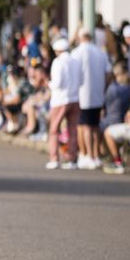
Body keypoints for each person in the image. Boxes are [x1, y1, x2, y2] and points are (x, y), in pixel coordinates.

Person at [73, 30, 112, 170]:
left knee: (85, 126)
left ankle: (88, 155)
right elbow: (109, 73)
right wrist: (103, 87)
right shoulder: (100, 52)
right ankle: (95, 155)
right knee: (95, 125)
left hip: (82, 94)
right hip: (98, 94)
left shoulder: (77, 53)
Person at [45, 37, 81, 170]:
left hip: (60, 100)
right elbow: (81, 81)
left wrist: (48, 84)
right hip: (75, 99)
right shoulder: (76, 62)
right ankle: (72, 159)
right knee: (73, 130)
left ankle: (54, 158)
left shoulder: (58, 62)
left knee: (54, 130)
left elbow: (57, 83)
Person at [100, 61, 130, 173]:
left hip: (113, 121)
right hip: (116, 121)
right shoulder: (125, 89)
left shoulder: (113, 88)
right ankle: (114, 158)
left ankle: (115, 159)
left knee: (101, 128)